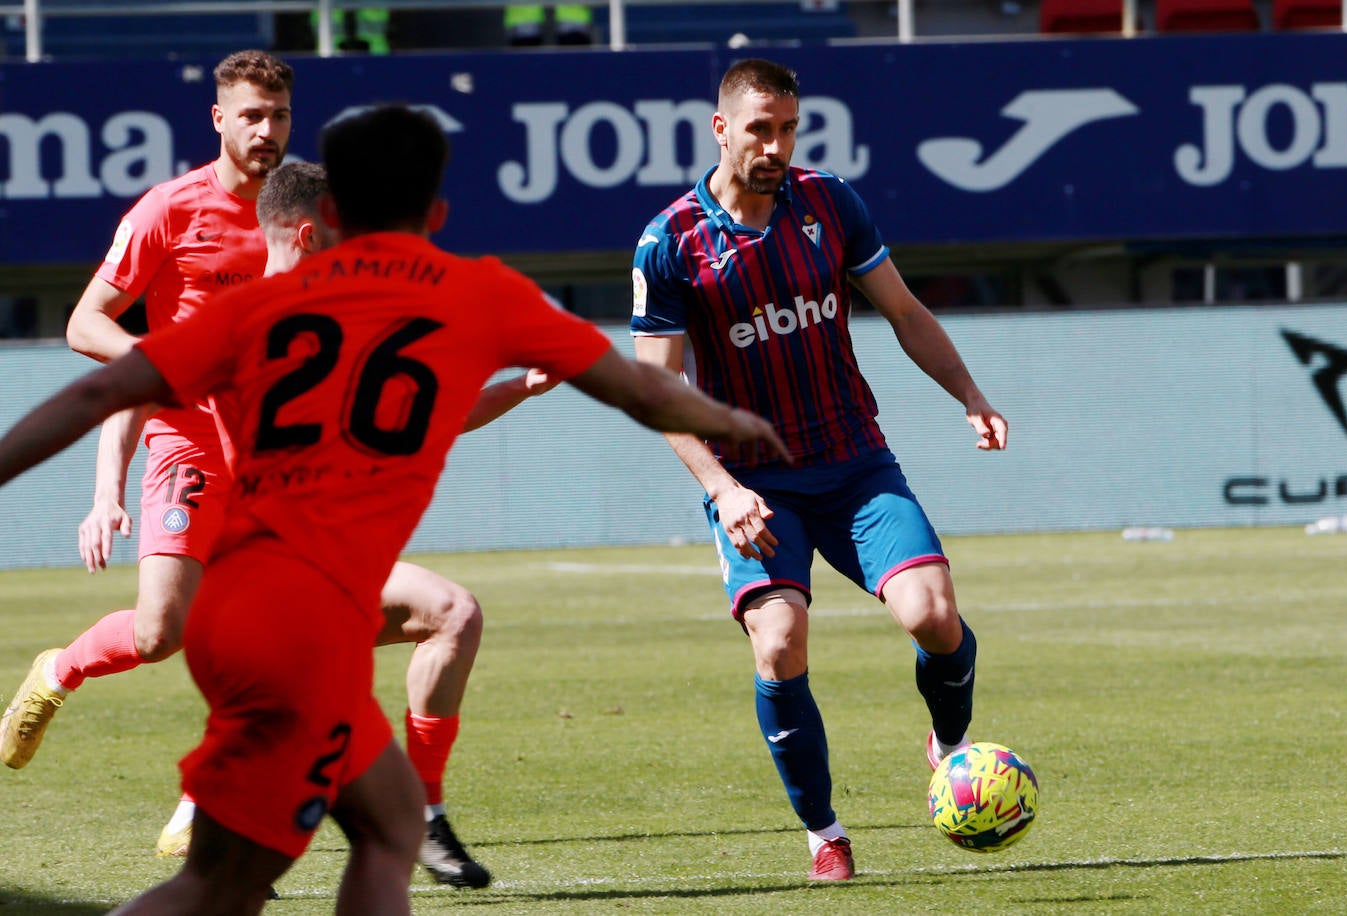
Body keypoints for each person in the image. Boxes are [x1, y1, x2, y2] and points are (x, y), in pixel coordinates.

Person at [0, 103, 788, 914]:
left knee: (388, 825)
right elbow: (639, 386)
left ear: (331, 211)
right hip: (299, 617)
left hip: (254, 605)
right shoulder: (476, 295)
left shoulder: (251, 312)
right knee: (217, 884)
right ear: (438, 212)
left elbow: (99, 388)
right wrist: (730, 423)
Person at [0, 50, 482, 890]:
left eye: (280, 115)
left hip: (284, 463)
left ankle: (232, 799)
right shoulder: (170, 209)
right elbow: (87, 323)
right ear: (218, 118)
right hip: (187, 443)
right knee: (161, 634)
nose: (266, 130)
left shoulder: (315, 213)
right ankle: (59, 671)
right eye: (251, 114)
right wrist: (175, 373)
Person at [630, 58, 1008, 883]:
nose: (777, 144)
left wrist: (969, 394)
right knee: (779, 640)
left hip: (853, 462)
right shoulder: (670, 244)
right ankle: (825, 833)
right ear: (722, 128)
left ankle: (948, 745)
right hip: (754, 482)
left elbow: (903, 311)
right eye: (761, 128)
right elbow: (655, 389)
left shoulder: (830, 202)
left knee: (934, 616)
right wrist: (723, 491)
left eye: (790, 128)